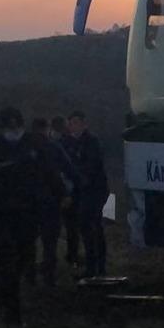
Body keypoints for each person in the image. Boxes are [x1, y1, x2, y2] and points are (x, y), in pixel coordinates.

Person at [0, 107, 50, 328]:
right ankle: (13, 314)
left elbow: (49, 170)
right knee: (8, 261)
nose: (13, 129)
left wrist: (63, 193)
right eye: (8, 125)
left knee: (21, 261)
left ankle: (1, 288)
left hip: (27, 215)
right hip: (0, 214)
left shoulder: (35, 144)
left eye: (15, 124)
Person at [63, 111, 110, 278]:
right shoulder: (67, 142)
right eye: (71, 123)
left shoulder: (92, 142)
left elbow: (91, 167)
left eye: (77, 123)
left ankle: (99, 265)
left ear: (84, 124)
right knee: (85, 227)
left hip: (94, 189)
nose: (74, 126)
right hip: (80, 190)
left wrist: (77, 175)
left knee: (94, 226)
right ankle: (92, 264)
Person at [29, 118, 70, 287]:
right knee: (49, 243)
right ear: (47, 129)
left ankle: (29, 276)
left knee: (28, 242)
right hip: (50, 200)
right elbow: (63, 170)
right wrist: (66, 192)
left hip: (27, 201)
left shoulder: (23, 147)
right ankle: (49, 277)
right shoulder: (53, 147)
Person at [51, 116, 83, 274]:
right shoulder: (65, 144)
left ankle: (67, 256)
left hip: (63, 190)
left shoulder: (57, 144)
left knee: (66, 227)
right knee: (70, 227)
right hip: (64, 190)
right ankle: (71, 256)